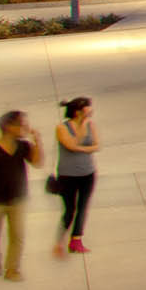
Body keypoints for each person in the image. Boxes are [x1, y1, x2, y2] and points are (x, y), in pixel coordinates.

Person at [0, 110, 39, 280]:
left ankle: (12, 270)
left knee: (18, 236)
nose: (25, 127)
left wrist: (37, 141)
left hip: (17, 199)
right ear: (8, 126)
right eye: (21, 124)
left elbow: (37, 162)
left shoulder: (23, 146)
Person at [52, 96, 98, 255]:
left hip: (88, 173)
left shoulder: (90, 124)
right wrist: (82, 131)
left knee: (83, 207)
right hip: (67, 175)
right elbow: (71, 145)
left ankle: (76, 240)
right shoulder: (62, 127)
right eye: (88, 107)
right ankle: (59, 241)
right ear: (78, 111)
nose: (91, 110)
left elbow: (97, 145)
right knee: (70, 209)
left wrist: (82, 147)